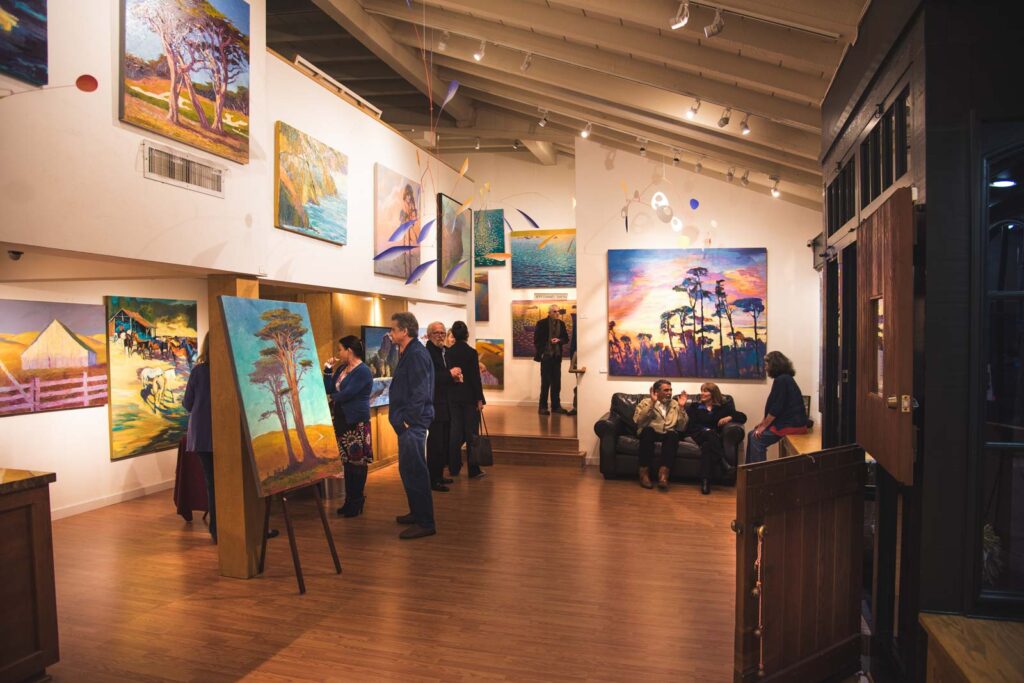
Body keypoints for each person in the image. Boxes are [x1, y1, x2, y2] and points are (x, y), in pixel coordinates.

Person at [388, 311, 437, 540]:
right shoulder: (409, 351)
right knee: (408, 469)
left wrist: (408, 419)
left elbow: (420, 390)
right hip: (409, 422)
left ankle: (425, 522)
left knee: (416, 471)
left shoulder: (416, 353)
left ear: (404, 331)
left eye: (393, 329)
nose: (390, 333)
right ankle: (417, 513)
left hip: (413, 423)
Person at [324, 335, 374, 517]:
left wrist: (330, 398)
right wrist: (328, 370)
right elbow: (329, 388)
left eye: (340, 349)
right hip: (342, 420)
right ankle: (349, 500)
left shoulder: (363, 371)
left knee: (357, 463)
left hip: (356, 421)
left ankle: (357, 500)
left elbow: (347, 394)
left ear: (349, 350)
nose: (339, 353)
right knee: (347, 462)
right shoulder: (342, 369)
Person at [682, 382, 746, 495]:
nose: (702, 393)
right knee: (709, 433)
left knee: (707, 446)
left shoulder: (723, 407)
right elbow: (691, 425)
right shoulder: (695, 406)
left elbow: (743, 417)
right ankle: (723, 463)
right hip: (697, 434)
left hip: (712, 438)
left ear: (713, 394)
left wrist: (730, 417)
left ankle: (705, 481)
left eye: (705, 391)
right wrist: (705, 430)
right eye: (701, 390)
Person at [746, 351, 809, 464]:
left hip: (791, 425)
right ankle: (749, 471)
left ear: (774, 365)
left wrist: (763, 426)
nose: (765, 368)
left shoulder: (782, 380)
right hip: (790, 422)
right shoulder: (785, 378)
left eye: (766, 365)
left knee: (756, 438)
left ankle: (757, 474)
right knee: (752, 434)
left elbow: (777, 407)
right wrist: (763, 423)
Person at [183, 333, 215, 542]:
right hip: (223, 436)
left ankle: (217, 529)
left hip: (203, 436)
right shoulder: (231, 371)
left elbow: (187, 403)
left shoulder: (198, 372)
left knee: (212, 483)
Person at [446, 321, 487, 479]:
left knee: (455, 432)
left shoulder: (449, 353)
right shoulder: (471, 352)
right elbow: (475, 378)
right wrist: (479, 399)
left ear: (453, 335)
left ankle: (454, 467)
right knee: (471, 434)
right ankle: (473, 469)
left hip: (453, 397)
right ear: (467, 334)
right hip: (469, 397)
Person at [633, 379, 687, 490]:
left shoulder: (675, 404)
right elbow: (638, 421)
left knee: (673, 435)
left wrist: (681, 408)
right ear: (656, 391)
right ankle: (644, 473)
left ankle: (663, 475)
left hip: (667, 433)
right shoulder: (645, 402)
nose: (669, 393)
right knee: (647, 431)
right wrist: (652, 404)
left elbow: (682, 427)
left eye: (670, 390)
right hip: (650, 432)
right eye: (666, 390)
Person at [424, 321, 458, 492]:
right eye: (437, 333)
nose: (440, 336)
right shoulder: (427, 353)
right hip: (435, 404)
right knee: (435, 444)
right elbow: (430, 377)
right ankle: (432, 479)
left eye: (442, 333)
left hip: (445, 404)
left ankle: (439, 475)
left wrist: (455, 377)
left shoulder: (443, 351)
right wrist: (449, 374)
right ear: (429, 335)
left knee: (443, 442)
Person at [533, 304, 569, 415]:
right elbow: (536, 340)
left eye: (558, 311)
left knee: (556, 383)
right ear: (549, 313)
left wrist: (559, 340)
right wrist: (542, 352)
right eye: (554, 311)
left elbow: (566, 339)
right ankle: (542, 407)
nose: (557, 313)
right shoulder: (541, 323)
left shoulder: (562, 324)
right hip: (546, 357)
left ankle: (556, 407)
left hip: (556, 358)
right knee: (545, 383)